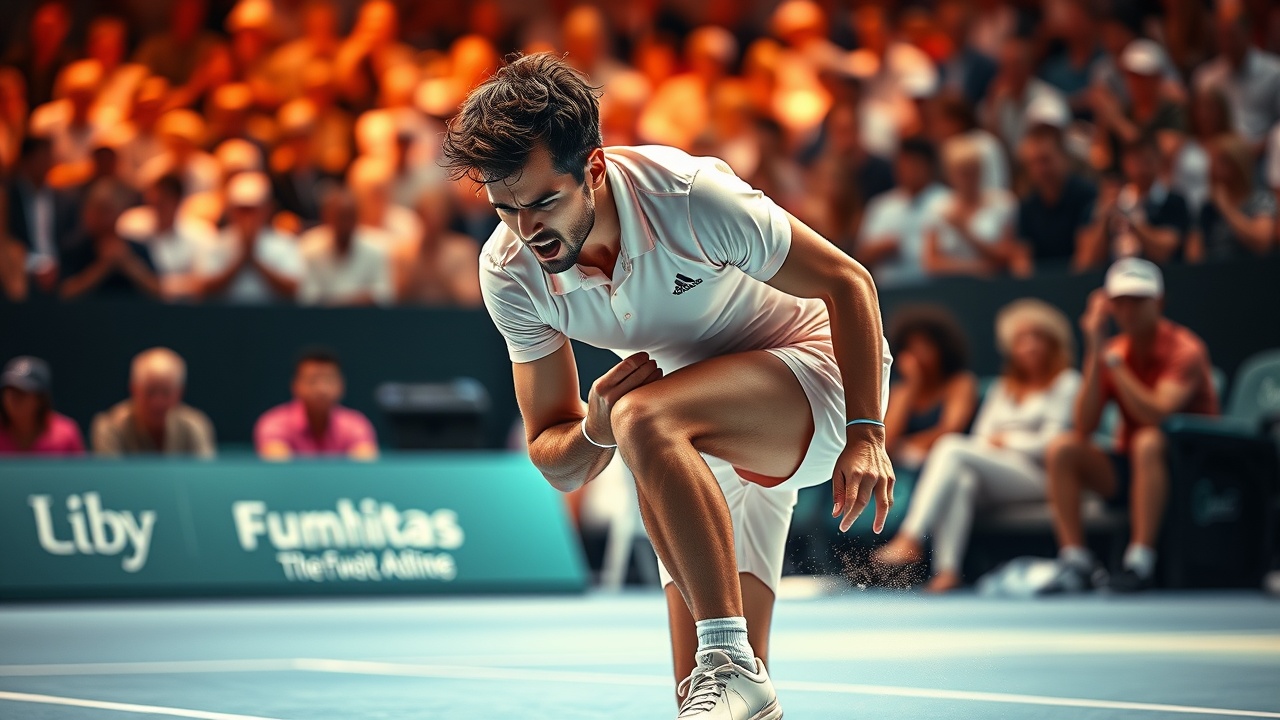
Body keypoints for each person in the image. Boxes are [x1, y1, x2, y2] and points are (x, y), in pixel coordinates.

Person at [445, 53, 893, 720]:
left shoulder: (687, 196)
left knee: (644, 418)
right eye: (505, 208)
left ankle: (728, 655)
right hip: (696, 434)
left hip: (819, 377)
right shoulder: (509, 271)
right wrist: (594, 428)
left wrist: (866, 433)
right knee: (711, 703)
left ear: (594, 168)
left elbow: (848, 282)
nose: (527, 229)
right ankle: (735, 669)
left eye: (543, 202)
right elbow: (558, 462)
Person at [873, 300, 1081, 592]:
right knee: (962, 479)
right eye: (1021, 340)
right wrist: (995, 445)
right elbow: (982, 437)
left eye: (1037, 338)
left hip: (1043, 477)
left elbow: (1053, 441)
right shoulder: (1003, 387)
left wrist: (1006, 442)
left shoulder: (1067, 383)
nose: (1029, 347)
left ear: (1054, 342)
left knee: (950, 446)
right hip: (1001, 474)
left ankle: (910, 537)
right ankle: (947, 571)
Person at [1045, 258, 1219, 593]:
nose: (1128, 311)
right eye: (1120, 302)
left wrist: (1114, 364)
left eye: (1138, 301)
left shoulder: (1186, 349)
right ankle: (1076, 561)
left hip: (1190, 469)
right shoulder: (1111, 351)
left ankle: (1140, 562)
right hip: (1133, 468)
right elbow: (1084, 425)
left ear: (1159, 303)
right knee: (1063, 448)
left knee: (1148, 440)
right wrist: (1094, 349)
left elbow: (1157, 416)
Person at [882, 306, 978, 471]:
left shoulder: (960, 383)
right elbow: (885, 442)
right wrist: (912, 386)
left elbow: (950, 431)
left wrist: (908, 446)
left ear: (942, 349)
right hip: (904, 471)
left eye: (925, 347)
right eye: (911, 348)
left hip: (951, 466)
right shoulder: (900, 391)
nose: (918, 355)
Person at [1077, 136, 1191, 268]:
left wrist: (1132, 220)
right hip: (1114, 274)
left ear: (1158, 159)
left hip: (1156, 274)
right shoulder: (1106, 202)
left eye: (1146, 158)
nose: (1141, 165)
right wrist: (1104, 218)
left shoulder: (1174, 201)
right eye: (1135, 158)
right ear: (1124, 162)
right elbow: (1085, 262)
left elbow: (1164, 252)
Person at [854, 136, 949, 287]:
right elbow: (861, 256)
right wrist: (879, 249)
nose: (908, 170)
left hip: (935, 286)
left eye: (914, 164)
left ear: (929, 166)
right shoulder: (882, 205)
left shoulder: (947, 203)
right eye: (903, 164)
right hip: (889, 288)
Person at [195, 172, 302, 303]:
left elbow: (294, 289)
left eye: (253, 210)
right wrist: (241, 260)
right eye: (241, 210)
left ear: (267, 209)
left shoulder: (285, 243)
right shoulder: (213, 243)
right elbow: (204, 288)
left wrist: (254, 259)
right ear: (230, 210)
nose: (247, 217)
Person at [923, 136, 1022, 277]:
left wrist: (966, 231)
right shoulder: (937, 208)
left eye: (974, 171)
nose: (969, 179)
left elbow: (1007, 254)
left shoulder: (1003, 203)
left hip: (994, 284)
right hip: (950, 286)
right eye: (963, 173)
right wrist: (979, 267)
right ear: (950, 174)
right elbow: (931, 263)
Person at [255, 347, 378, 460]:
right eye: (312, 381)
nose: (321, 389)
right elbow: (279, 469)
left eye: (329, 380)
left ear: (341, 385)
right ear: (295, 385)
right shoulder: (273, 423)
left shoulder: (356, 425)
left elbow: (364, 468)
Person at [92, 347, 216, 457]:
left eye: (166, 392)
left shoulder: (194, 426)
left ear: (179, 393)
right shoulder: (110, 428)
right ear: (133, 389)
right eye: (150, 392)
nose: (157, 402)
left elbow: (205, 472)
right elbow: (109, 475)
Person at [58, 180, 160, 300]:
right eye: (92, 209)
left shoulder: (137, 248)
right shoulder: (75, 248)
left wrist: (127, 262)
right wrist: (104, 265)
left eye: (105, 210)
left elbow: (158, 291)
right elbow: (65, 293)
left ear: (120, 212)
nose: (96, 217)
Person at [1016, 124, 1098, 271]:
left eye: (1045, 160)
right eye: (1032, 163)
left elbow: (1085, 261)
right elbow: (1022, 260)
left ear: (1063, 157)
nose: (1039, 170)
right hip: (1041, 280)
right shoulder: (1027, 204)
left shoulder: (1086, 195)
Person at [297, 186, 394, 306]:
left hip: (363, 316)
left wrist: (340, 303)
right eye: (340, 217)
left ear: (357, 218)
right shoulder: (310, 246)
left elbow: (384, 296)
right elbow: (307, 296)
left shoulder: (376, 247)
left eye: (349, 217)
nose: (345, 224)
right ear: (327, 217)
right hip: (323, 317)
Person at [1186, 133, 1276, 262]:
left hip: (1251, 269)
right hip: (1214, 271)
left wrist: (1225, 207)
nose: (1213, 169)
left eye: (1221, 162)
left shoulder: (1261, 200)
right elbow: (1193, 256)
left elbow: (1261, 243)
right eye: (1212, 162)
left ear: (1238, 164)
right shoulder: (1208, 206)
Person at [0, 356, 84, 455]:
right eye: (9, 392)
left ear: (40, 398)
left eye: (21, 393)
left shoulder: (65, 434)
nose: (13, 399)